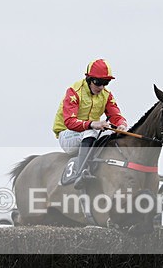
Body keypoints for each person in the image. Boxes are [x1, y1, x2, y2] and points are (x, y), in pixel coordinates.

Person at [52, 58, 128, 189]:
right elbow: (70, 122)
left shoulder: (106, 95)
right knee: (91, 131)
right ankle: (80, 173)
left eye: (106, 83)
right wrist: (93, 124)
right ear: (89, 79)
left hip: (89, 133)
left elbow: (116, 115)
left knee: (112, 132)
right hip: (67, 134)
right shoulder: (74, 92)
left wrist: (122, 124)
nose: (101, 87)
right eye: (98, 82)